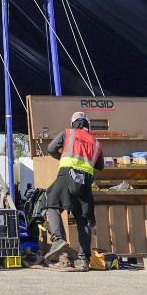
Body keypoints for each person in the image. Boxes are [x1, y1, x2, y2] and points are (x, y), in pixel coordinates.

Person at [41, 110, 104, 270]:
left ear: (73, 123)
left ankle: (58, 239)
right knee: (84, 220)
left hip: (66, 174)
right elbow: (100, 166)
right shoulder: (96, 143)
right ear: (87, 124)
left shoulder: (67, 133)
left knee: (51, 202)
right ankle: (83, 260)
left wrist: (63, 156)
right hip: (85, 183)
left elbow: (51, 148)